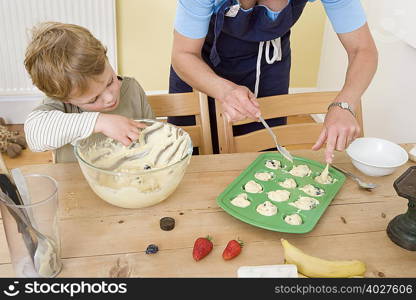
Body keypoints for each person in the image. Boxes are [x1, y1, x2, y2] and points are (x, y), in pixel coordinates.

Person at [170, 0, 378, 162]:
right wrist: (224, 90)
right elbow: (184, 54)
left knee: (264, 155)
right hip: (200, 68)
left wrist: (345, 104)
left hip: (270, 65)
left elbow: (363, 50)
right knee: (190, 157)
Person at [24, 22, 154, 162]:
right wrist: (100, 122)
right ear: (66, 99)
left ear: (106, 59)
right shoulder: (60, 105)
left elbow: (153, 136)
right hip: (74, 181)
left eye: (110, 81)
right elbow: (34, 134)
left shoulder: (133, 90)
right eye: (93, 99)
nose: (109, 97)